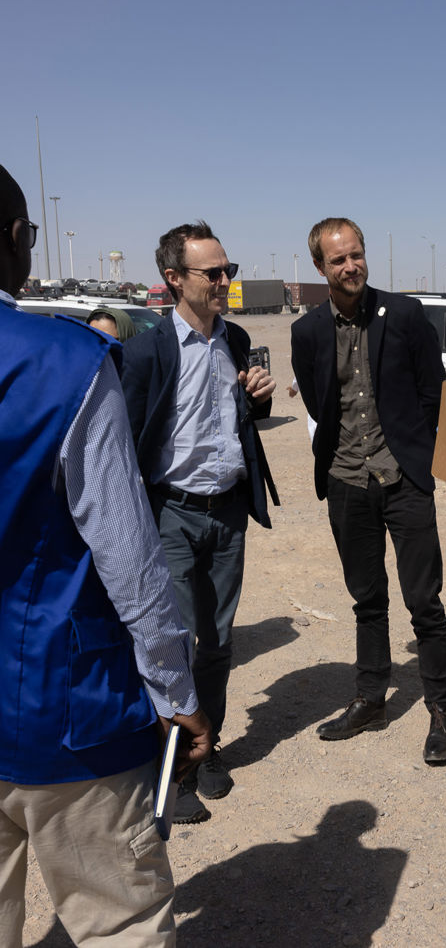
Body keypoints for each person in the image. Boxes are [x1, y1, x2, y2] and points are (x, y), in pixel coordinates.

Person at [0, 164, 212, 948]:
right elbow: (128, 555)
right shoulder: (68, 364)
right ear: (17, 238)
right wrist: (174, 689)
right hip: (62, 716)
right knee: (119, 920)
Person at [122, 221, 278, 824]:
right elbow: (128, 444)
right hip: (172, 515)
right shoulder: (145, 352)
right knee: (174, 646)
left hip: (228, 512)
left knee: (217, 643)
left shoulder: (236, 341)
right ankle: (173, 765)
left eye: (228, 271)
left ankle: (208, 749)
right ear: (173, 279)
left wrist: (258, 399)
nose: (224, 282)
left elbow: (241, 419)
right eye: (212, 274)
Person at [291, 217, 446, 764]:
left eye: (356, 254)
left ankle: (440, 708)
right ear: (321, 267)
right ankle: (371, 699)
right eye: (338, 259)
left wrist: (416, 458)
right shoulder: (307, 332)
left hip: (403, 479)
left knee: (423, 601)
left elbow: (433, 395)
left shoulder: (405, 315)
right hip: (346, 482)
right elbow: (320, 405)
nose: (351, 266)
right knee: (367, 600)